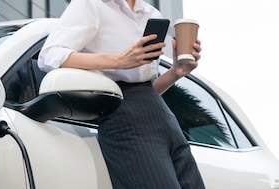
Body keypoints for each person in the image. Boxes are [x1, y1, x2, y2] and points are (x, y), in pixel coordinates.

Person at [38, 0, 205, 188]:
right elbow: (49, 55)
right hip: (124, 117)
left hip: (162, 116)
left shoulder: (152, 14)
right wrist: (119, 60)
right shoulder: (92, 4)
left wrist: (175, 72)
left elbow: (146, 87)